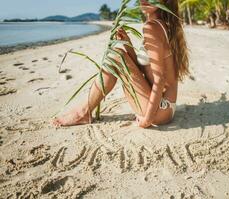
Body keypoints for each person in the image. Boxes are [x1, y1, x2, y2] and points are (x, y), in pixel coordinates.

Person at [52, 0, 190, 128]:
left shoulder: (153, 27)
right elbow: (146, 71)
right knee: (119, 53)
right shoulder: (161, 24)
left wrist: (147, 120)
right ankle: (84, 111)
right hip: (166, 108)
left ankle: (83, 113)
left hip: (160, 110)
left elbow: (159, 80)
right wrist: (128, 45)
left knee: (116, 56)